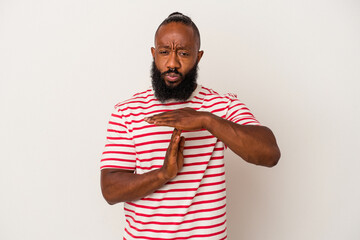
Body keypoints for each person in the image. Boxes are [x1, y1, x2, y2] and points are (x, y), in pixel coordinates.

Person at [100, 12, 280, 240]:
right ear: (154, 54)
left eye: (184, 53)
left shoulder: (221, 105)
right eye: (164, 52)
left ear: (198, 57)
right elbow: (110, 190)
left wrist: (207, 120)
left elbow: (269, 153)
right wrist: (163, 174)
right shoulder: (127, 111)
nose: (172, 63)